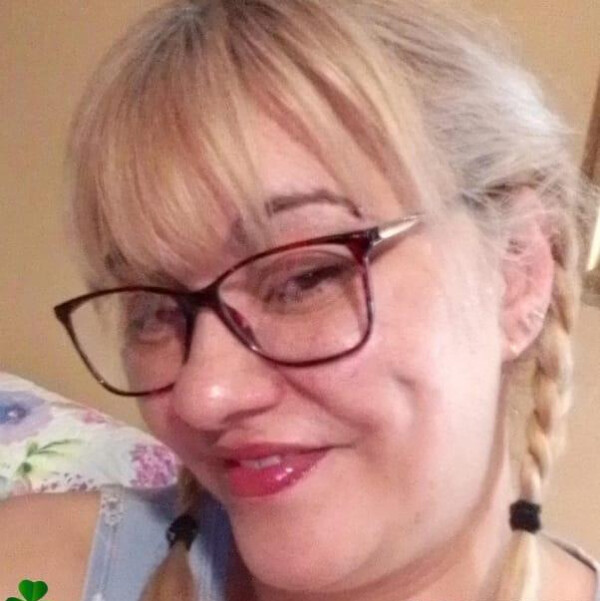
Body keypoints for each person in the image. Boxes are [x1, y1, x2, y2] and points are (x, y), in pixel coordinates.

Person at [1, 1, 598, 600]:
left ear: (518, 270)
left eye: (304, 278)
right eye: (154, 312)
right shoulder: (32, 568)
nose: (203, 396)